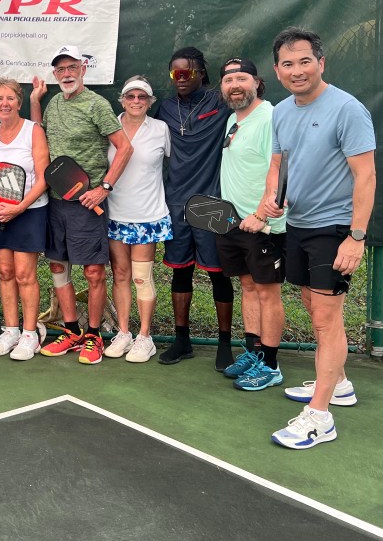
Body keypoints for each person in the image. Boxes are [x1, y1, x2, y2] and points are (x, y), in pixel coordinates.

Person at [259, 28, 375, 449]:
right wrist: (273, 197)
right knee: (311, 303)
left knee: (326, 319)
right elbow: (278, 162)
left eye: (305, 61)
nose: (297, 71)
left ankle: (321, 416)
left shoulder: (348, 109)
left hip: (335, 227)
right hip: (300, 224)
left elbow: (366, 175)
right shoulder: (283, 111)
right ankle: (339, 383)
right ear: (277, 71)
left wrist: (356, 237)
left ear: (321, 63)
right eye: (288, 64)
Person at [30, 45, 131, 365]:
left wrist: (104, 187)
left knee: (93, 272)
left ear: (83, 68)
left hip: (87, 204)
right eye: (60, 69)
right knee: (58, 267)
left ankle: (93, 335)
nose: (66, 73)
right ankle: (71, 330)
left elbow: (125, 148)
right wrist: (34, 102)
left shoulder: (97, 104)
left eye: (71, 67)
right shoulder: (54, 103)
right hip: (54, 203)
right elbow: (40, 137)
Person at [155, 47, 236, 370]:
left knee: (219, 276)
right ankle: (182, 339)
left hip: (212, 203)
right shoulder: (164, 108)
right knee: (180, 272)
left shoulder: (220, 103)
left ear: (202, 73)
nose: (182, 79)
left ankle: (225, 343)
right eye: (176, 74)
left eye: (188, 72)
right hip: (175, 202)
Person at [213, 58, 288, 391]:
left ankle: (271, 365)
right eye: (228, 80)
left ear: (257, 82)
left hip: (264, 225)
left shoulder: (270, 117)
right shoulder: (233, 119)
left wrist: (260, 215)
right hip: (234, 223)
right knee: (248, 287)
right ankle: (254, 352)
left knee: (268, 293)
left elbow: (282, 170)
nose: (235, 85)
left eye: (241, 78)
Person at [0, 77, 49, 361]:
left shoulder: (33, 131)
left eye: (10, 98)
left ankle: (30, 334)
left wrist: (19, 207)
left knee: (24, 274)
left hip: (29, 212)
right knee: (5, 272)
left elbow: (44, 178)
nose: (4, 103)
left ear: (19, 102)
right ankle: (10, 331)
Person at [103, 76, 172, 364]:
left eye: (142, 97)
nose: (136, 101)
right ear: (122, 100)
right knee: (120, 276)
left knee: (142, 277)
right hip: (114, 215)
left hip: (149, 217)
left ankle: (145, 337)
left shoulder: (161, 129)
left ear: (150, 102)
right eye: (130, 96)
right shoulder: (109, 127)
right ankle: (123, 333)